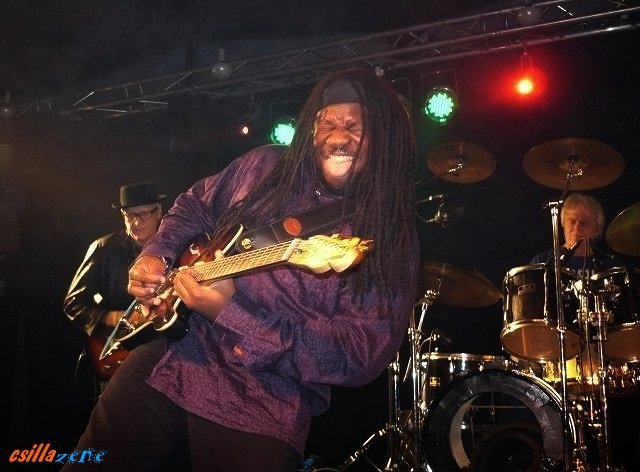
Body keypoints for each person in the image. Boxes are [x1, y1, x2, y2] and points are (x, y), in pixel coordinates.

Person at [62, 67, 419, 471]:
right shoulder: (265, 165)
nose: (338, 137)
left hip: (264, 400)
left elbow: (359, 354)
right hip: (174, 354)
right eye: (328, 124)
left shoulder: (387, 234)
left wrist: (231, 313)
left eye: (355, 126)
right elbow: (194, 204)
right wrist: (156, 252)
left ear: (383, 137)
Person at [63, 181, 164, 388]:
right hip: (118, 354)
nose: (136, 222)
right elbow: (73, 303)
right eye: (129, 215)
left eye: (144, 214)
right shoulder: (103, 248)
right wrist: (114, 317)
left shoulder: (178, 246)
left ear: (159, 211)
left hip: (166, 356)